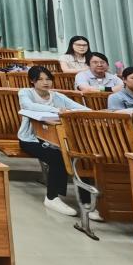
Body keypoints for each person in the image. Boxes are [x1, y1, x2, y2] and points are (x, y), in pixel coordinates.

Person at [17, 66, 91, 216]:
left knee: (81, 157)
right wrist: (57, 110)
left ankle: (87, 202)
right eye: (40, 79)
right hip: (31, 139)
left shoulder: (57, 96)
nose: (46, 82)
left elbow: (84, 109)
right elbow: (29, 106)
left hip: (57, 140)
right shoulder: (25, 92)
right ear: (32, 81)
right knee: (57, 157)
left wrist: (67, 111)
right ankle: (52, 197)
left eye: (48, 79)